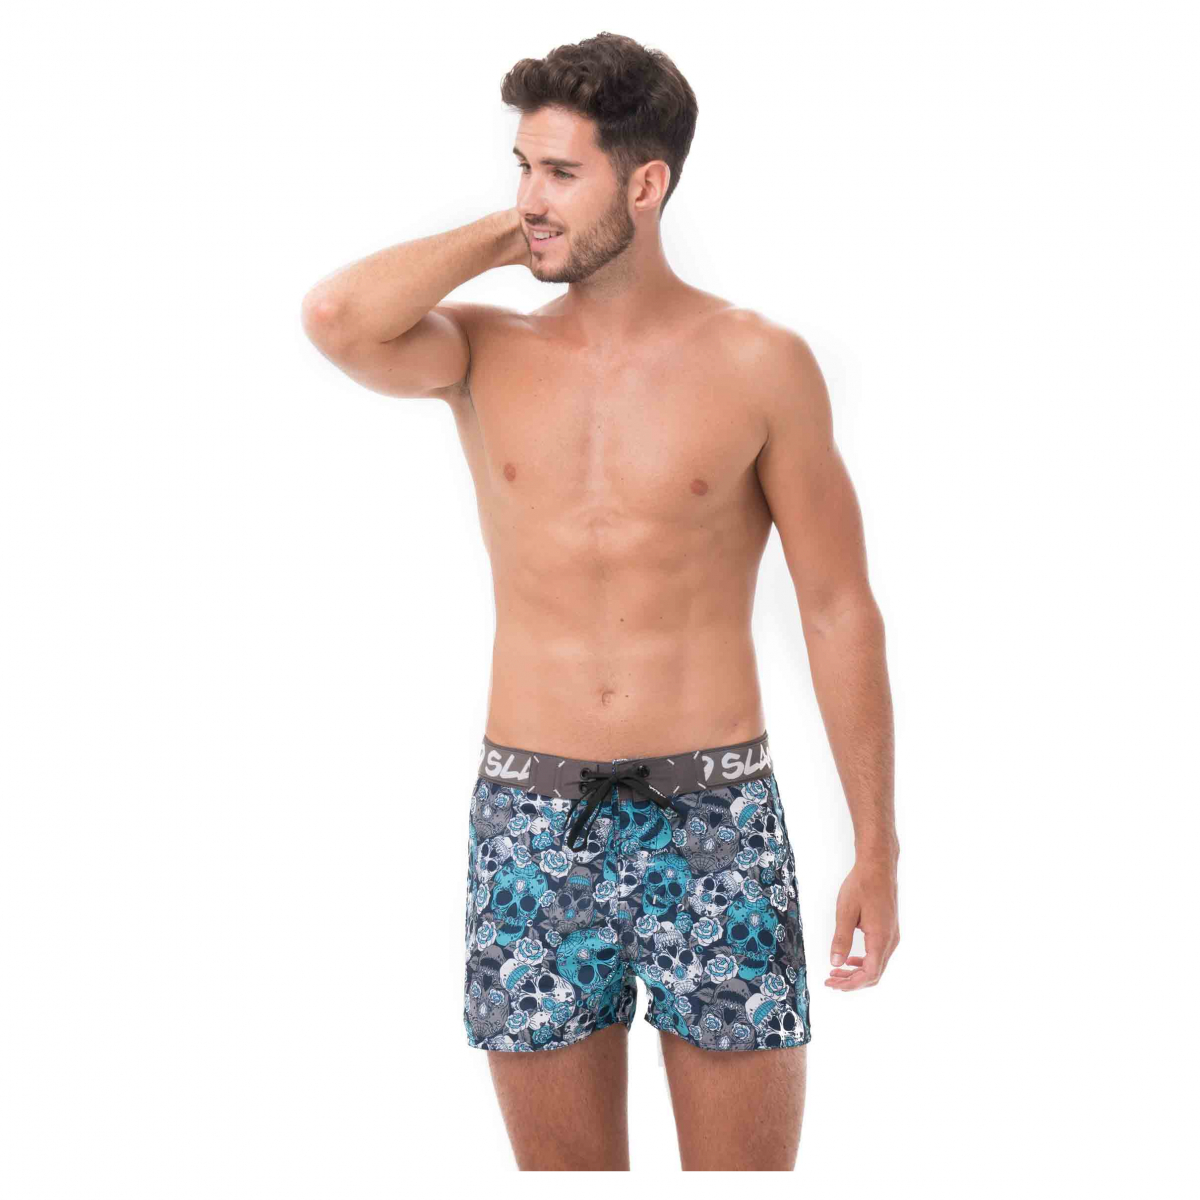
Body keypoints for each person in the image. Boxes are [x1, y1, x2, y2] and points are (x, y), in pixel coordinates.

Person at [300, 31, 900, 1172]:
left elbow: (837, 607)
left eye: (562, 173)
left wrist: (877, 847)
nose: (531, 195)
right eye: (522, 167)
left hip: (715, 818)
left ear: (646, 183)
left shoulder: (761, 362)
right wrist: (518, 229)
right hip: (530, 821)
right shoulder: (482, 352)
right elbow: (337, 318)